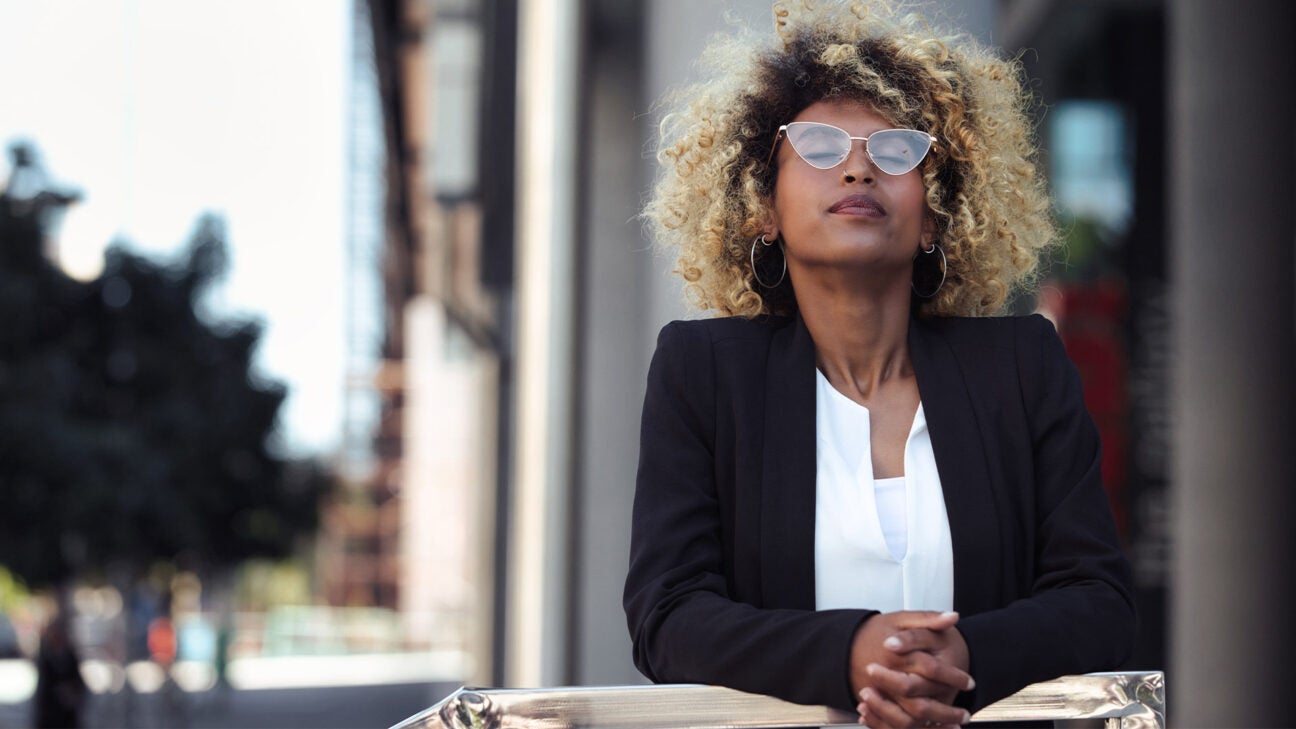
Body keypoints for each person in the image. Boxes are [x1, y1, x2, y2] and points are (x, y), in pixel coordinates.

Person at [622, 2, 1136, 727]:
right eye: (820, 147)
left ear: (933, 216)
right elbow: (667, 616)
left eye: (897, 151)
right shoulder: (703, 374)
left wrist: (965, 654)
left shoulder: (1022, 366)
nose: (859, 165)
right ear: (763, 206)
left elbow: (1101, 601)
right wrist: (851, 650)